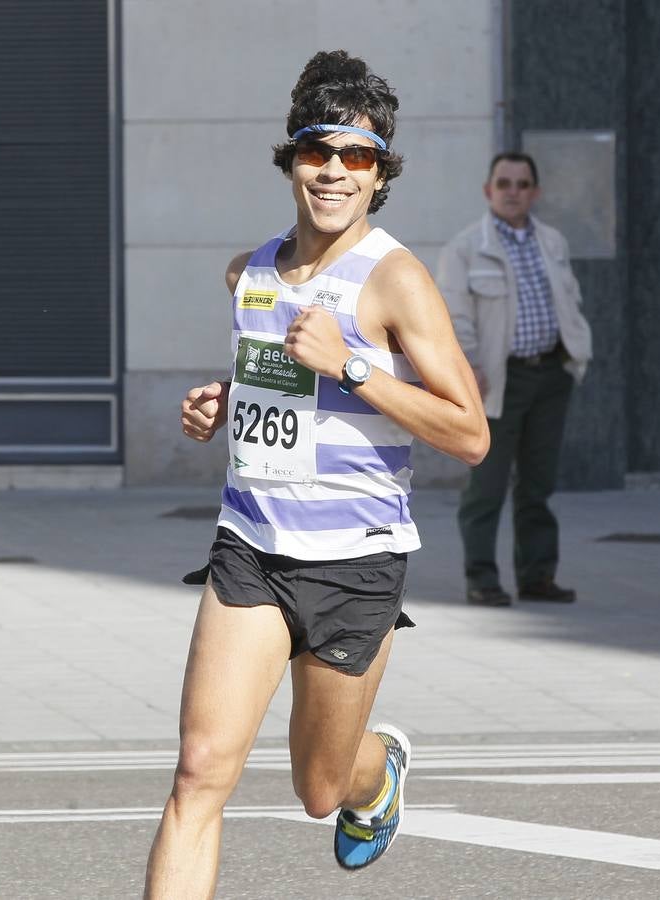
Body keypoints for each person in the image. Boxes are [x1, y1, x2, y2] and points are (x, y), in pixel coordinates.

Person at [143, 50, 488, 898]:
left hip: (354, 561)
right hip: (250, 546)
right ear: (291, 159)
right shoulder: (250, 272)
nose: (334, 171)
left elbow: (471, 433)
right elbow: (277, 384)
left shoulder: (397, 280)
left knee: (319, 789)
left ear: (379, 176)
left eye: (358, 157)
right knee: (197, 774)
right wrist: (221, 400)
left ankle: (379, 777)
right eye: (317, 151)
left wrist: (359, 369)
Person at [437, 152, 592, 607]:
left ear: (535, 192)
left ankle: (537, 575)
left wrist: (576, 351)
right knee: (486, 486)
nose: (513, 191)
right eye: (504, 183)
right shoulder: (465, 248)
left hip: (549, 374)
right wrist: (470, 366)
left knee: (538, 484)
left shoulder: (553, 241)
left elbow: (570, 299)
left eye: (522, 184)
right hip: (496, 381)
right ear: (489, 191)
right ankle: (482, 578)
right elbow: (454, 315)